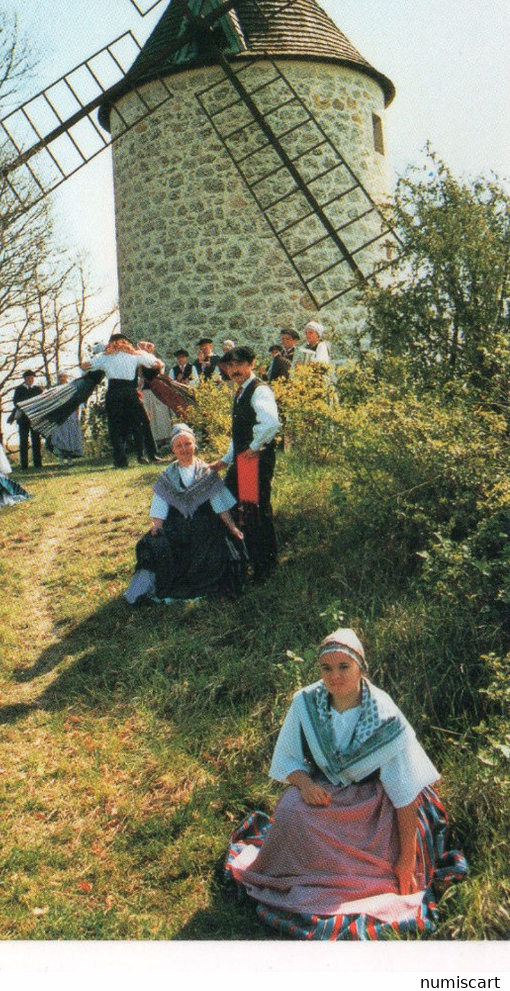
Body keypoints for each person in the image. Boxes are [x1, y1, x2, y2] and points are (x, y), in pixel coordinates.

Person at [225, 628, 467, 939]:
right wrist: (306, 785)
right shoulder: (306, 703)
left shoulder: (383, 713)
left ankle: (355, 884)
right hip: (326, 790)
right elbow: (288, 761)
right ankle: (304, 877)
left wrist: (406, 859)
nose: (335, 677)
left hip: (377, 798)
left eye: (344, 667)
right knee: (290, 810)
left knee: (374, 841)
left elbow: (405, 791)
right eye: (327, 668)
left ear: (360, 668)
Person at [125, 423, 245, 603]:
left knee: (213, 550)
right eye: (179, 445)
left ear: (194, 445)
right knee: (155, 546)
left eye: (188, 444)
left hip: (204, 524)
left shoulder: (207, 472)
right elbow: (160, 505)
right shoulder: (168, 475)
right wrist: (156, 526)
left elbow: (219, 505)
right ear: (173, 449)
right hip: (177, 526)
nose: (184, 449)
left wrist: (232, 527)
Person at [211, 346, 280, 583]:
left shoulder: (259, 391)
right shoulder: (240, 393)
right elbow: (239, 433)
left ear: (250, 363)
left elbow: (271, 423)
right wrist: (225, 460)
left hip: (254, 460)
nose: (234, 370)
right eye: (229, 366)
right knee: (233, 506)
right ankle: (246, 559)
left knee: (254, 511)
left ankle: (266, 567)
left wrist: (252, 448)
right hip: (244, 459)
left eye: (238, 364)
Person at [96, 334, 163, 468]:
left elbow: (157, 364)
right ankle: (120, 460)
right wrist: (104, 353)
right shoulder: (104, 357)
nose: (118, 345)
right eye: (115, 343)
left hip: (131, 391)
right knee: (116, 426)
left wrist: (141, 352)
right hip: (114, 391)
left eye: (121, 342)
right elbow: (86, 367)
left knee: (143, 422)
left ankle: (149, 454)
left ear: (126, 343)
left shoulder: (134, 355)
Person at [48, 372, 84, 465]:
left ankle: (70, 459)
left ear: (66, 377)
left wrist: (77, 412)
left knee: (70, 436)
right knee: (60, 436)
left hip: (70, 414)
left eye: (64, 376)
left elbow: (77, 400)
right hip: (60, 414)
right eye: (60, 377)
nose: (62, 378)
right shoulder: (55, 389)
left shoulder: (71, 387)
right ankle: (60, 459)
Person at [11, 370, 44, 469]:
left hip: (35, 418)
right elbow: (16, 402)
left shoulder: (37, 389)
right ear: (25, 379)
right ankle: (24, 465)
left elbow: (42, 401)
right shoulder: (19, 389)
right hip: (23, 419)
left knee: (36, 441)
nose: (30, 380)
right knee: (24, 441)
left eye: (32, 378)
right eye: (29, 378)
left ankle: (38, 464)